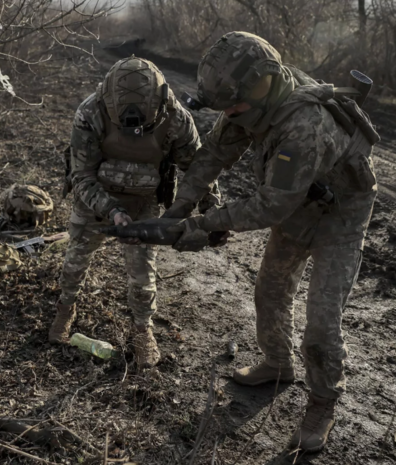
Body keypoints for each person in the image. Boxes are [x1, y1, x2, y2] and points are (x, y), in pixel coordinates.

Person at [158, 32, 380, 451]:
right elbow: (214, 154)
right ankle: (277, 364)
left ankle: (322, 403)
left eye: (234, 106)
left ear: (261, 86)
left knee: (321, 320)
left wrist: (203, 224)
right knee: (271, 292)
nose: (231, 113)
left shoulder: (303, 125)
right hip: (299, 199)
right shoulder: (250, 98)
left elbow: (269, 206)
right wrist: (178, 207)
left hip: (340, 216)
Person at [49, 56, 220, 368]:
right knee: (74, 262)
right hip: (95, 199)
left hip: (144, 202)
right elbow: (81, 176)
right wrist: (111, 210)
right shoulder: (91, 112)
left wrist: (213, 209)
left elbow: (198, 169)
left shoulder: (175, 117)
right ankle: (65, 309)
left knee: (143, 277)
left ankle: (143, 330)